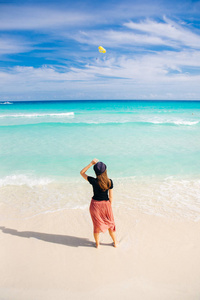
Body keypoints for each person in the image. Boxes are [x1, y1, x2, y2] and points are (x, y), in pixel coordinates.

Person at [80, 159, 118, 248]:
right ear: (105, 171)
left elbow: (82, 172)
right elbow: (111, 197)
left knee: (96, 225)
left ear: (95, 172)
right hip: (106, 205)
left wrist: (91, 163)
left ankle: (97, 244)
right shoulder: (109, 181)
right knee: (110, 224)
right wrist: (108, 207)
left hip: (95, 205)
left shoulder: (93, 181)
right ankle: (115, 242)